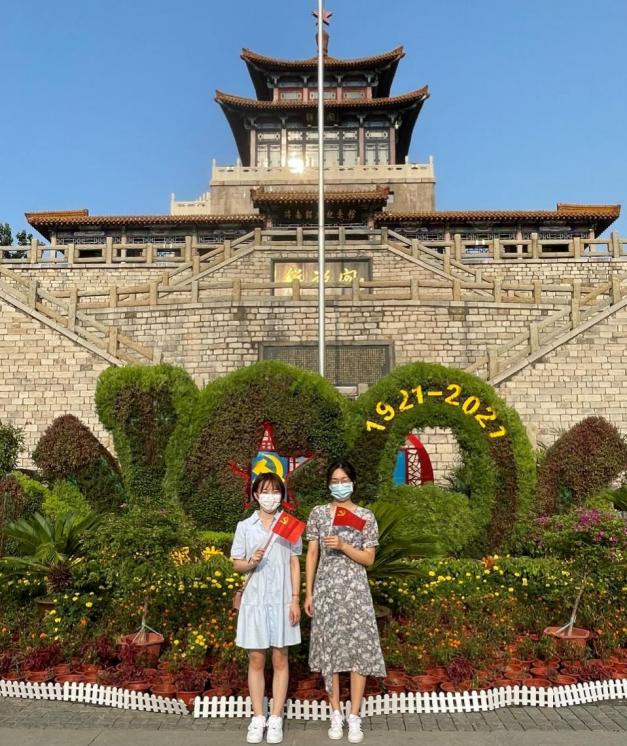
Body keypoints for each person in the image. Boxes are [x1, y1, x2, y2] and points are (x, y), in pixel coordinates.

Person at [304, 460, 386, 744]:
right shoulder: (318, 514)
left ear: (353, 482)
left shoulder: (365, 516)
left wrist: (343, 545)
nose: (340, 485)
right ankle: (335, 712)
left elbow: (369, 559)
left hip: (356, 592)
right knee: (331, 650)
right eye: (335, 481)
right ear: (328, 484)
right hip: (326, 590)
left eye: (344, 480)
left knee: (357, 649)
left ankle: (354, 715)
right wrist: (308, 592)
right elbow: (311, 554)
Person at [231, 472, 302, 744]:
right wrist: (251, 561)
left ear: (282, 495)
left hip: (282, 601)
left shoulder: (288, 523)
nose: (270, 496)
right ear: (255, 494)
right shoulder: (245, 526)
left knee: (280, 659)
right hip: (255, 602)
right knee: (256, 660)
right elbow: (236, 563)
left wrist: (295, 599)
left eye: (275, 491)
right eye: (265, 491)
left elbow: (294, 561)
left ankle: (276, 718)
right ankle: (258, 717)